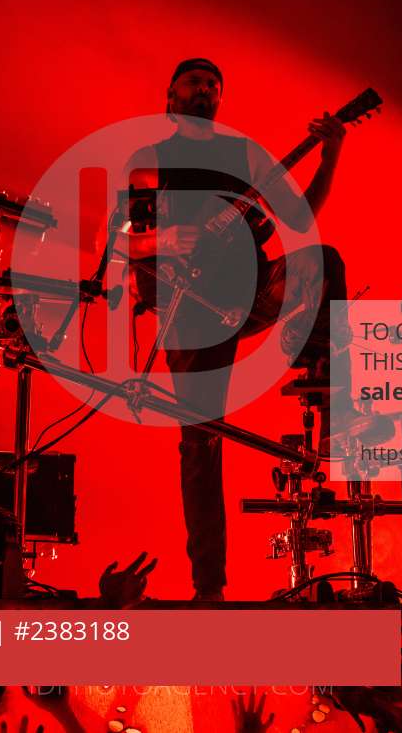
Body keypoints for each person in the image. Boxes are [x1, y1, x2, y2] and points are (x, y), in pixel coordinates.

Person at [117, 57, 355, 601]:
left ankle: (327, 395)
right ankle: (209, 587)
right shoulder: (150, 160)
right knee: (201, 442)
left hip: (246, 292)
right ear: (171, 97)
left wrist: (331, 154)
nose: (205, 88)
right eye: (194, 82)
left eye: (213, 84)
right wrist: (164, 240)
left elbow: (300, 218)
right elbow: (122, 240)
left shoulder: (243, 155)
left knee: (323, 261)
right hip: (187, 306)